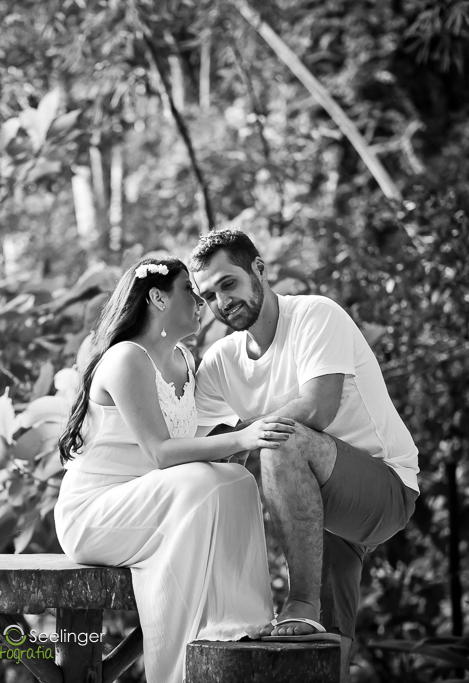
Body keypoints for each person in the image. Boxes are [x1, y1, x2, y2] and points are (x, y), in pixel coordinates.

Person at [55, 256, 296, 683]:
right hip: (95, 515)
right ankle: (175, 670)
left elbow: (198, 442)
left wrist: (245, 431)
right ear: (156, 297)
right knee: (202, 481)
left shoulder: (184, 359)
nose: (202, 299)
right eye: (191, 289)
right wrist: (243, 438)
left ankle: (239, 633)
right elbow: (162, 453)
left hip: (155, 502)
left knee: (237, 481)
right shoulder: (127, 358)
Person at [187, 230, 419, 651]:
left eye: (229, 283)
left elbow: (317, 408)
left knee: (282, 440)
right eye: (208, 296)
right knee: (327, 648)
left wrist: (244, 436)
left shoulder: (315, 315)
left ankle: (300, 601)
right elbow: (199, 446)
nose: (222, 303)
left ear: (259, 269)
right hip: (313, 507)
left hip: (383, 488)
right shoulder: (222, 359)